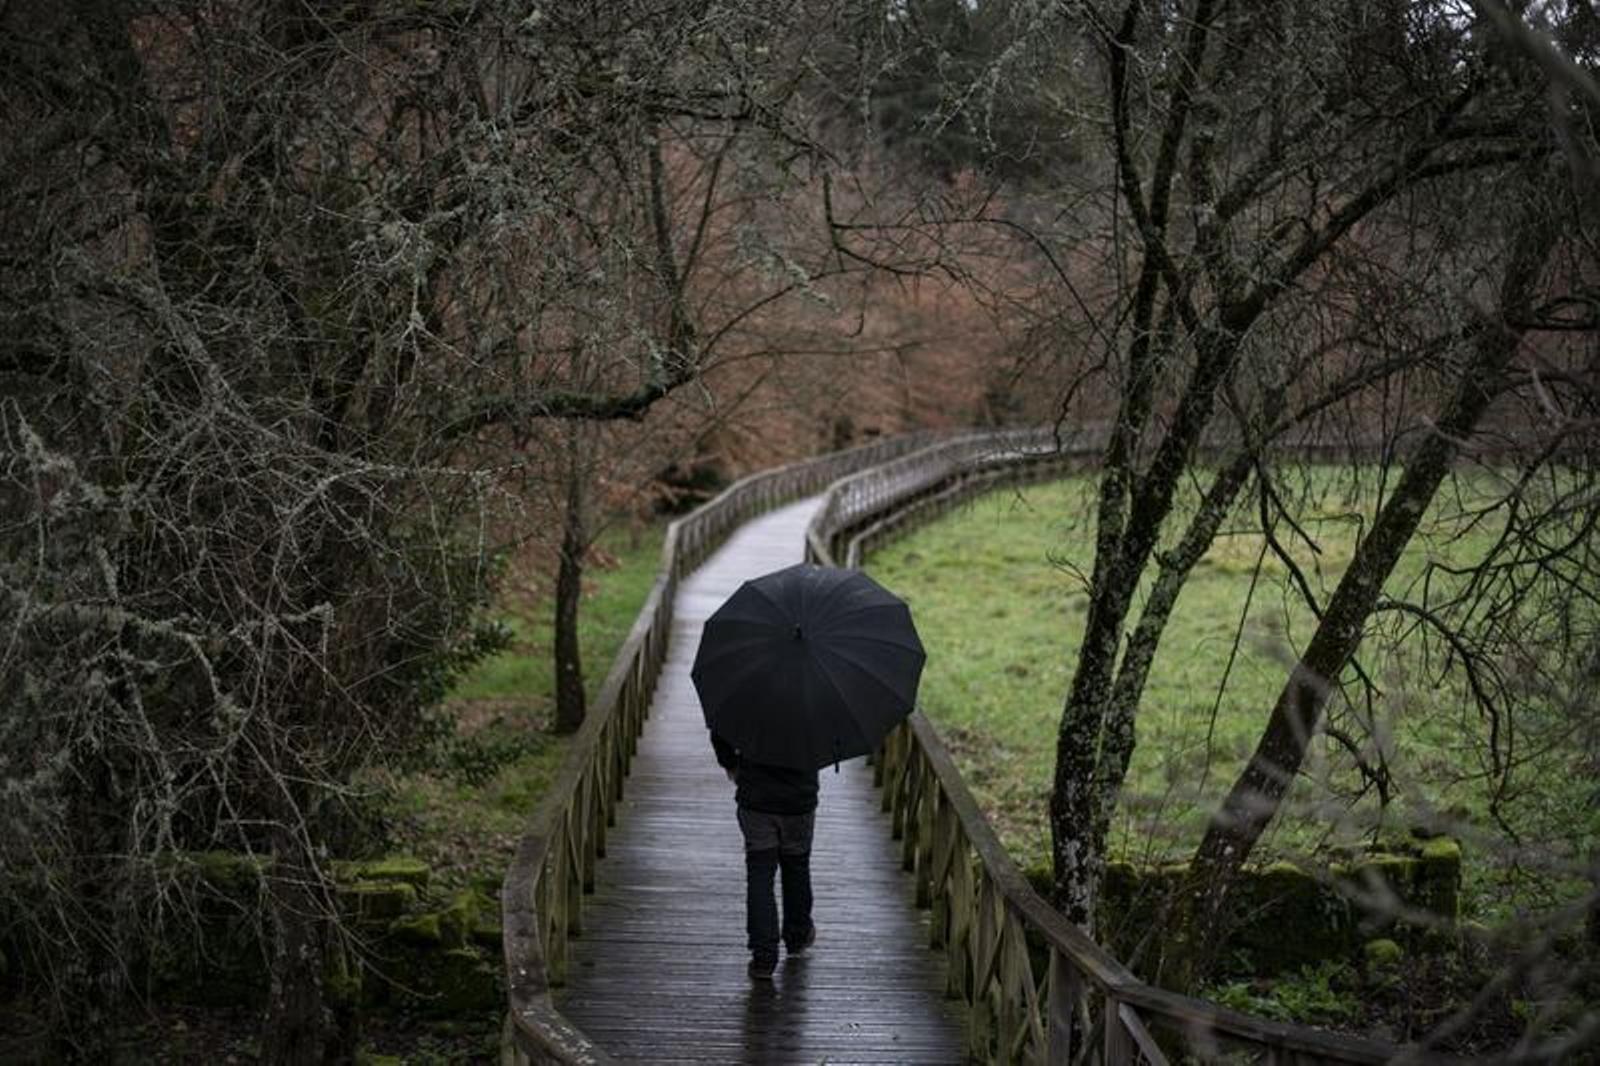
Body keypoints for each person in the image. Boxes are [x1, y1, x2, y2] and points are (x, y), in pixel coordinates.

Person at [710, 729, 819, 980]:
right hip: (799, 798)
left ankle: (764, 958)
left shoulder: (747, 692)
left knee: (760, 874)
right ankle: (798, 935)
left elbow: (720, 729)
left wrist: (730, 763)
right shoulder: (817, 694)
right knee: (797, 866)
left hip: (756, 797)